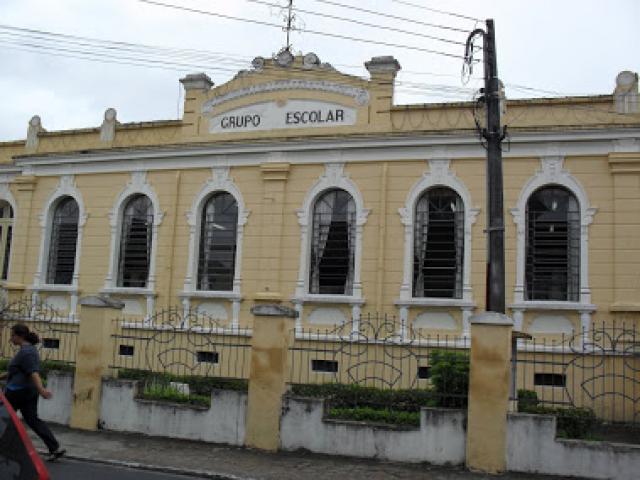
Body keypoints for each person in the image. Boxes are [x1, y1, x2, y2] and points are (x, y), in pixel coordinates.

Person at [0, 323, 65, 461]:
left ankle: (9, 448)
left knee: (4, 417)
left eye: (13, 336)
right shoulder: (28, 350)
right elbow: (17, 371)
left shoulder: (26, 352)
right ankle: (54, 448)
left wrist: (41, 389)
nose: (11, 339)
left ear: (20, 336)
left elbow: (33, 373)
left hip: (16, 392)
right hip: (27, 392)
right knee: (32, 420)